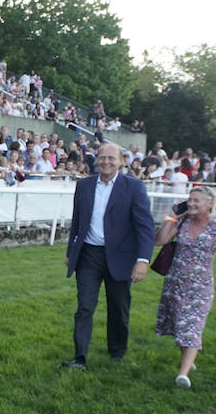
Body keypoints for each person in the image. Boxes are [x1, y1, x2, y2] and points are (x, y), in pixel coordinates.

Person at [63, 143, 155, 370]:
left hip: (121, 257)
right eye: (102, 157)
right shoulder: (84, 185)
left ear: (121, 161)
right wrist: (70, 252)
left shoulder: (134, 186)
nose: (106, 162)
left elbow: (145, 227)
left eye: (111, 158)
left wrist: (142, 260)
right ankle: (80, 356)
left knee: (119, 309)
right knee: (84, 306)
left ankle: (117, 351)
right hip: (88, 255)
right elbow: (77, 221)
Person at [152, 187, 216, 389]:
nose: (191, 204)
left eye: (196, 200)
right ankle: (189, 360)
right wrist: (172, 216)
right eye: (190, 200)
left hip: (201, 287)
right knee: (180, 326)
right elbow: (160, 240)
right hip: (175, 283)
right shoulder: (182, 221)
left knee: (192, 328)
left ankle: (183, 374)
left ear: (210, 204)